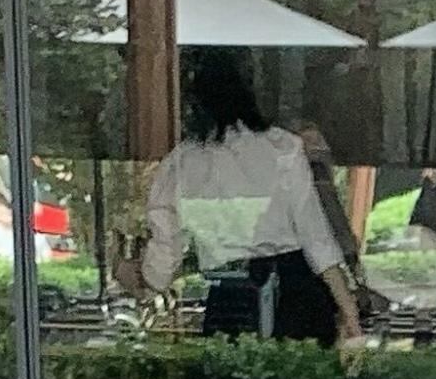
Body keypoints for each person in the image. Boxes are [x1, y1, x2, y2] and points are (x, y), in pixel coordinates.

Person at [139, 49, 363, 345]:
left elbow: (165, 255)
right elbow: (316, 238)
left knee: (230, 369)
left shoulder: (180, 164)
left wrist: (145, 281)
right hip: (295, 294)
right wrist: (349, 311)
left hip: (228, 297)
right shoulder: (282, 148)